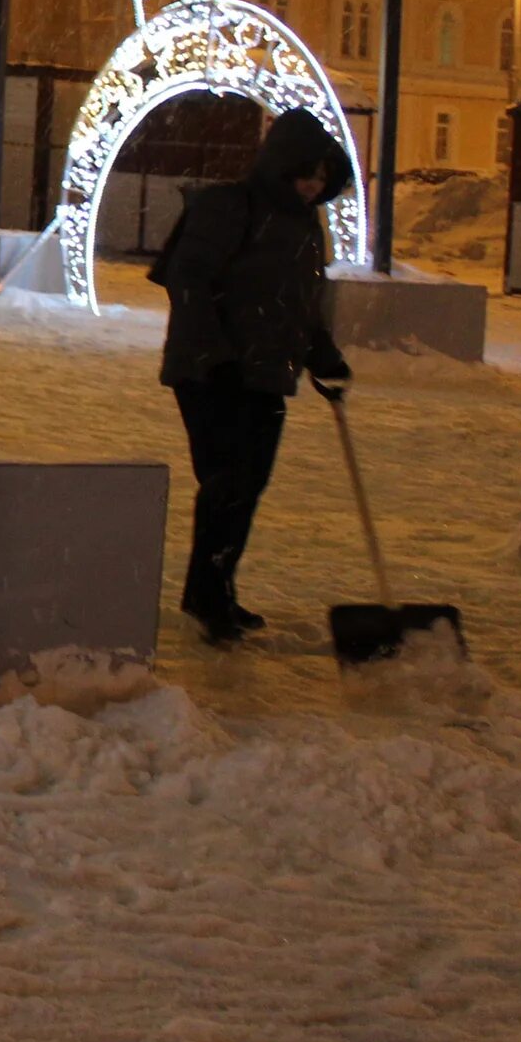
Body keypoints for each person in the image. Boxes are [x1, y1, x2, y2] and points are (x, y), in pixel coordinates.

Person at [153, 107, 355, 647]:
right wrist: (215, 354)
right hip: (209, 370)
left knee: (248, 486)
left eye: (322, 178)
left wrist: (323, 356)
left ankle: (216, 590)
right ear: (281, 166)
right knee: (227, 483)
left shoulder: (303, 226)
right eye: (306, 174)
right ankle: (208, 596)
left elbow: (296, 306)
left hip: (264, 374)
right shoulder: (229, 207)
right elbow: (187, 277)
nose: (313, 186)